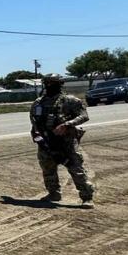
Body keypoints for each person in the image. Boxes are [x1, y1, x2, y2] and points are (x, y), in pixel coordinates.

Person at [31, 73, 96, 205]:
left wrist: (67, 125)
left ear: (60, 84)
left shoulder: (70, 100)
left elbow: (84, 116)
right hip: (46, 142)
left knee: (76, 169)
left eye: (53, 83)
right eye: (47, 83)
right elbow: (34, 121)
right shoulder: (38, 103)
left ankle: (86, 197)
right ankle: (53, 193)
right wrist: (36, 134)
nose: (49, 86)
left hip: (66, 142)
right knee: (48, 169)